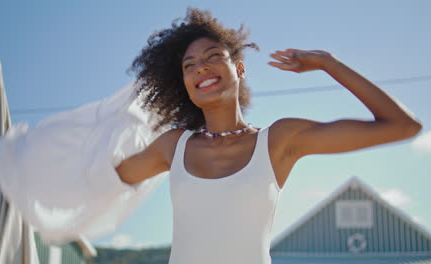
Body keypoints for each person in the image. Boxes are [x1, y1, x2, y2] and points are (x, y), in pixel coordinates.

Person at [113, 7, 422, 264]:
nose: (201, 69)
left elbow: (403, 126)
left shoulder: (278, 141)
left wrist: (329, 63)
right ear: (184, 83)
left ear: (240, 68)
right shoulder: (173, 146)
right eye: (189, 65)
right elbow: (107, 177)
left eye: (212, 56)